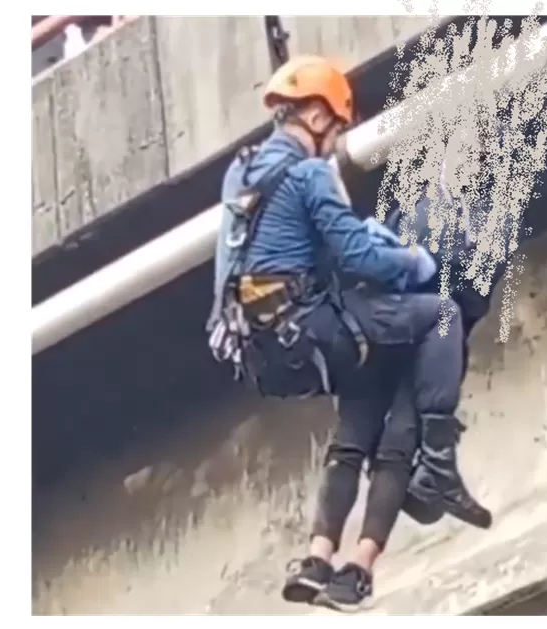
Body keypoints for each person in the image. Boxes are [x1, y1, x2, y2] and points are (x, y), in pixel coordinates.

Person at [206, 55, 487, 611]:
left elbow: (298, 246)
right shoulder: (312, 173)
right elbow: (357, 255)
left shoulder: (240, 173)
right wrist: (412, 261)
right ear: (315, 116)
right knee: (441, 318)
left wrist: (361, 236)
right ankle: (435, 466)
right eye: (336, 127)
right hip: (308, 333)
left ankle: (320, 562)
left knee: (361, 401)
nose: (338, 139)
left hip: (259, 351)